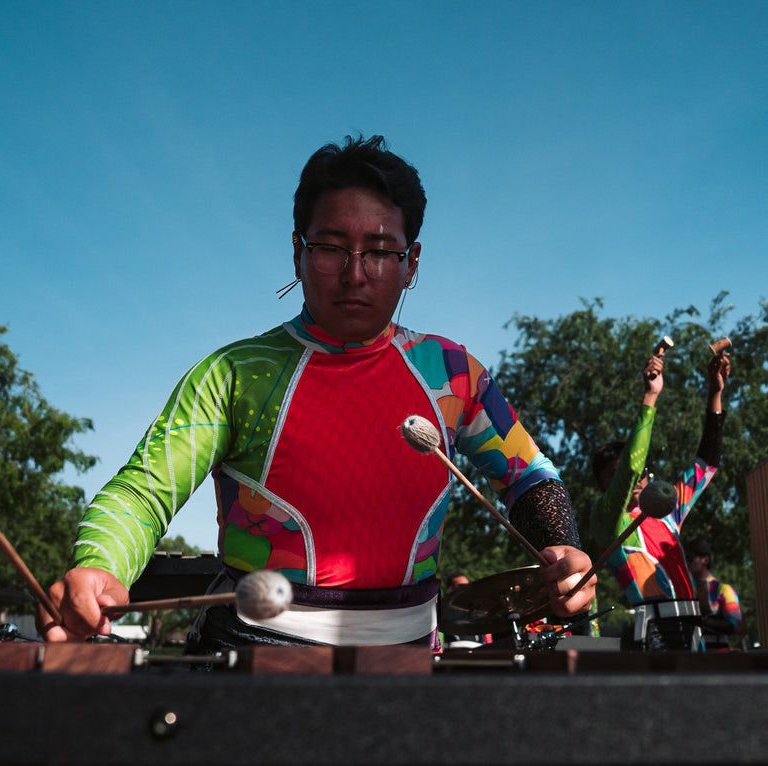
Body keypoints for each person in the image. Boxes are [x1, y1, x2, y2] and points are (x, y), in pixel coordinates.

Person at [39, 135, 596, 650]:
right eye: (331, 247)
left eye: (381, 251)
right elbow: (143, 492)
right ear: (297, 251)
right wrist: (100, 565)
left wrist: (564, 550)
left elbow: (529, 475)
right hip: (253, 657)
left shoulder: (454, 372)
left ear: (413, 263)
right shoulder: (235, 373)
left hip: (409, 663)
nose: (355, 274)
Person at [590, 349, 730, 650]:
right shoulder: (608, 521)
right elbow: (628, 469)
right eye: (612, 476)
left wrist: (715, 393)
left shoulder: (667, 511)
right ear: (603, 486)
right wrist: (651, 395)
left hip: (693, 629)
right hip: (655, 633)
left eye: (640, 473)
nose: (631, 480)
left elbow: (707, 464)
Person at [684, 536, 743, 651]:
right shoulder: (684, 590)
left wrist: (702, 622)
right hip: (691, 660)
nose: (686, 563)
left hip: (719, 658)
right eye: (684, 559)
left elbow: (736, 626)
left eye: (690, 558)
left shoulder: (723, 590)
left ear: (705, 560)